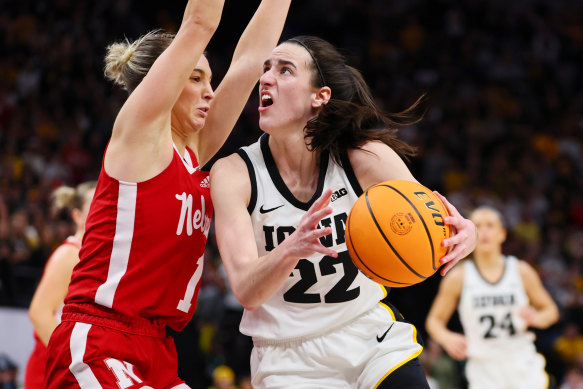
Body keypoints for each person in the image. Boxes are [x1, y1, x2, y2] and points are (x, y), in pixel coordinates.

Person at [45, 0, 292, 387]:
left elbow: (249, 60)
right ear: (164, 80)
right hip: (100, 339)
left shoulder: (193, 150)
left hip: (157, 346)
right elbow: (199, 20)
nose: (210, 92)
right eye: (195, 78)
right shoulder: (141, 136)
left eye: (209, 80)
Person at [210, 35, 477, 388]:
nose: (267, 78)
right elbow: (246, 290)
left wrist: (465, 233)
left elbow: (433, 223)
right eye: (266, 68)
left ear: (319, 97)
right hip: (287, 357)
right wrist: (292, 247)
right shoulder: (234, 173)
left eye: (285, 70)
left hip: (367, 333)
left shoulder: (365, 157)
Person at [425, 206, 559, 389]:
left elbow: (551, 311)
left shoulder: (521, 270)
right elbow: (434, 321)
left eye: (490, 225)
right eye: (478, 226)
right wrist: (447, 338)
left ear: (502, 234)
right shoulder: (459, 277)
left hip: (522, 364)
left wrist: (536, 318)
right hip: (483, 370)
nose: (484, 231)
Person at [24, 182, 96, 388]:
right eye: (95, 206)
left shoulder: (93, 256)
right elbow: (39, 313)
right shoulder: (70, 254)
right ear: (77, 216)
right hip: (51, 370)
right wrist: (72, 362)